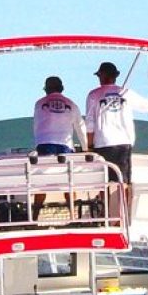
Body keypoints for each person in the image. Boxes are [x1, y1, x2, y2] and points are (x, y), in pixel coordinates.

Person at [85, 62, 148, 204]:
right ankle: (121, 214)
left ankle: (105, 213)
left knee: (103, 180)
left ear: (101, 76)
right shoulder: (126, 93)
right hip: (123, 141)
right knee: (123, 180)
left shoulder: (93, 95)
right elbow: (146, 105)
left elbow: (90, 123)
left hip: (102, 142)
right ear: (115, 76)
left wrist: (89, 145)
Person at [33, 76, 88, 212]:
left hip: (44, 144)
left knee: (41, 181)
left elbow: (36, 126)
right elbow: (81, 128)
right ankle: (72, 215)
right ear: (62, 88)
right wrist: (86, 148)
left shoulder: (39, 103)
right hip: (65, 145)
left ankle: (34, 216)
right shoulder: (72, 104)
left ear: (46, 89)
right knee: (68, 181)